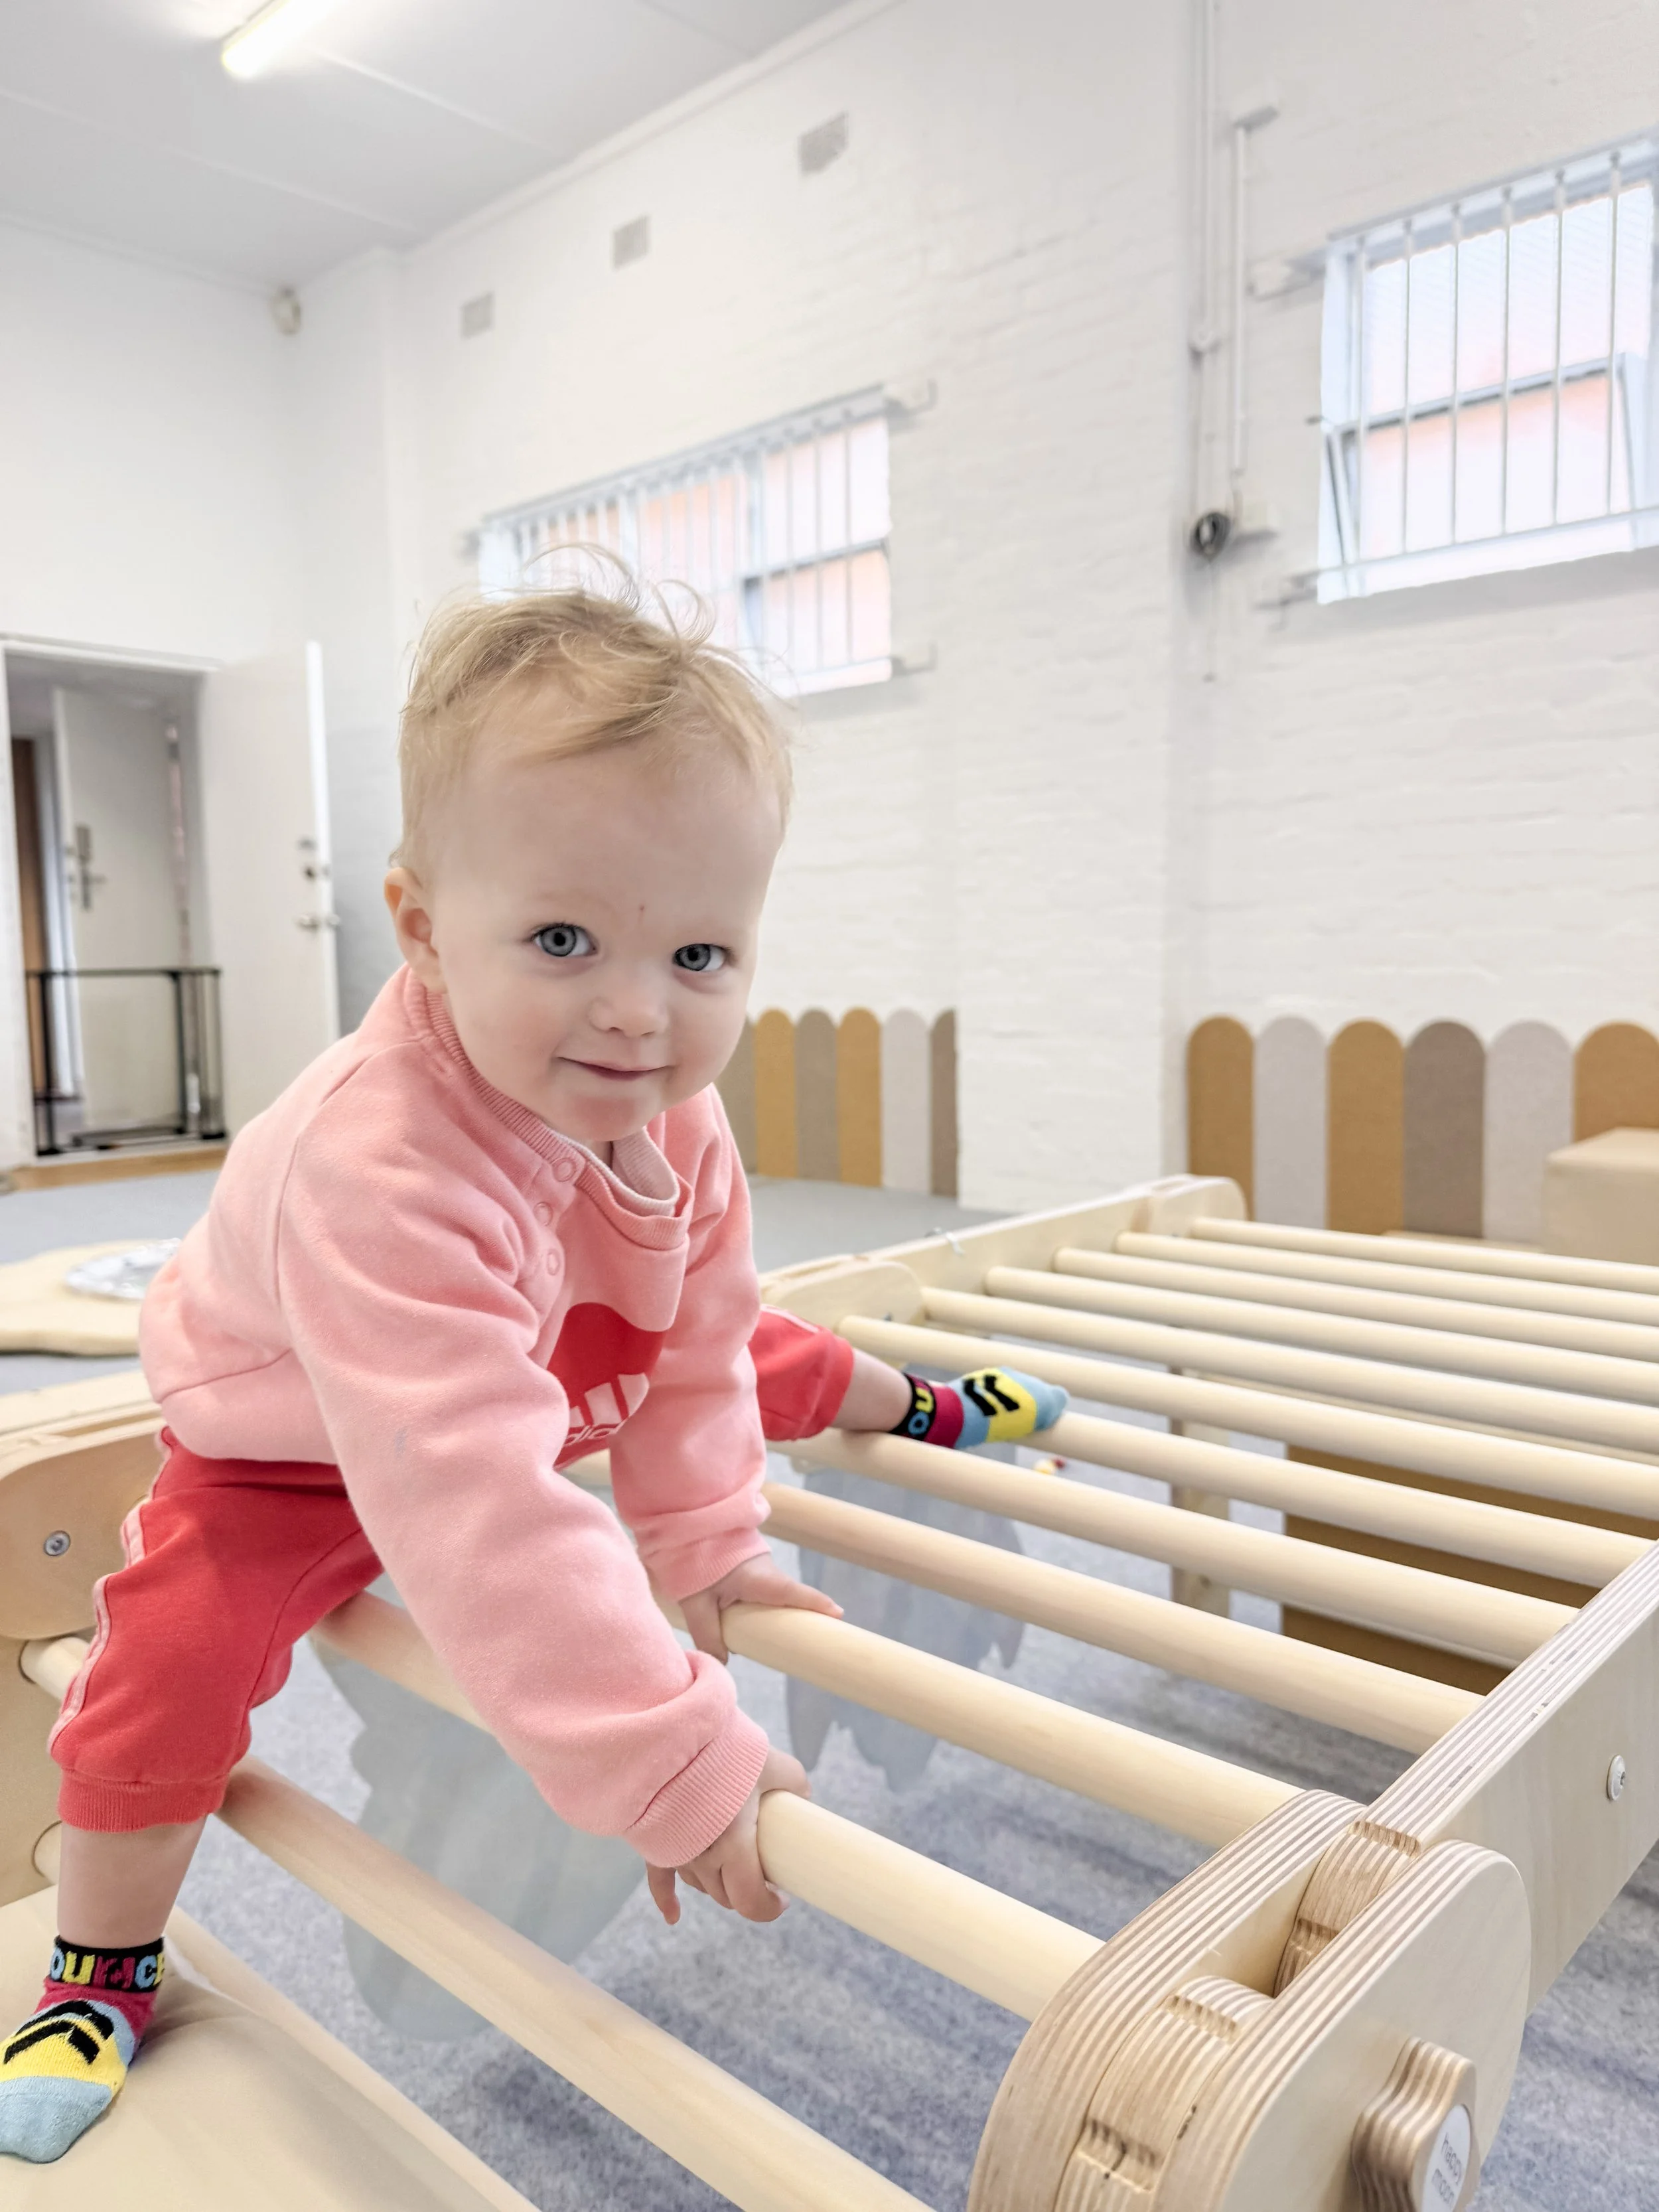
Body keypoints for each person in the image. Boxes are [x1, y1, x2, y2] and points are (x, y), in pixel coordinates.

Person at [0, 579, 1058, 2163]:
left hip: (532, 1357)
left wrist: (699, 1539)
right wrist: (662, 1754)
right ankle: (100, 1963)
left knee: (751, 1350)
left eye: (699, 951)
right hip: (294, 1444)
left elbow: (696, 1345)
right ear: (422, 926)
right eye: (561, 938)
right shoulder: (385, 1165)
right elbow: (477, 1510)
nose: (636, 1013)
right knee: (167, 1662)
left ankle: (910, 1394)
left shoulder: (671, 1117)